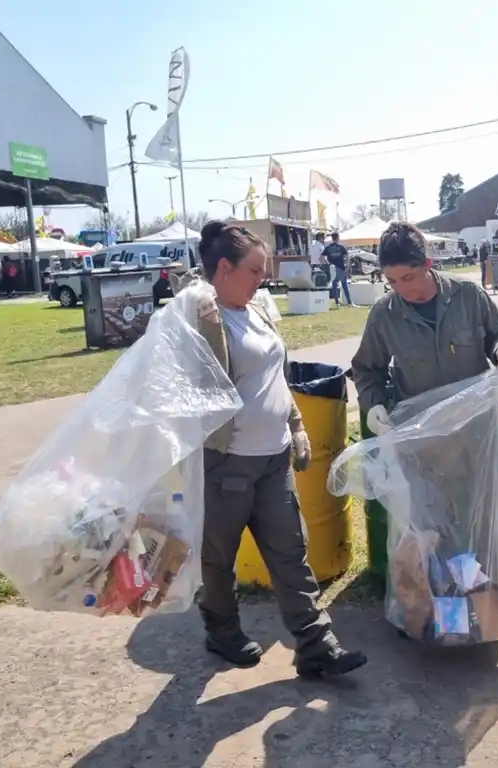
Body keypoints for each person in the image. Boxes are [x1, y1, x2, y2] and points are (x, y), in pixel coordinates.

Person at [190, 220, 367, 677]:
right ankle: (222, 632)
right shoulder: (199, 320)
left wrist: (296, 425)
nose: (261, 280)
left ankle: (315, 645)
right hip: (227, 464)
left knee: (291, 552)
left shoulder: (255, 310)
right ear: (224, 268)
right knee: (219, 558)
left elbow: (275, 377)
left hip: (274, 459)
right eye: (253, 271)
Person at [350, 221, 498, 436]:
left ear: (427, 264)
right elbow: (367, 370)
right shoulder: (385, 314)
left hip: (479, 427)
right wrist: (374, 404)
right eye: (392, 281)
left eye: (408, 278)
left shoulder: (467, 295)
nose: (401, 288)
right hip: (422, 436)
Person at [322, 232, 353, 306]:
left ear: (332, 238)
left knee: (334, 285)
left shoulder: (328, 248)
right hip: (341, 268)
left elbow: (321, 257)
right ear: (338, 238)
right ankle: (349, 302)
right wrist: (347, 267)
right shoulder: (341, 247)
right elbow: (347, 257)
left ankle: (337, 302)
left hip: (332, 268)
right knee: (344, 285)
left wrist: (327, 263)